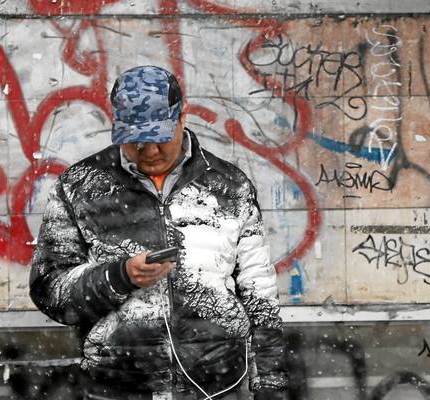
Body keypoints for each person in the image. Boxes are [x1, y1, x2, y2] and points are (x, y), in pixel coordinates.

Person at [29, 65, 288, 400]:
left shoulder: (229, 186)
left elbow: (259, 288)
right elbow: (49, 290)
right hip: (117, 386)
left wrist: (269, 380)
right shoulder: (79, 187)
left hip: (218, 385)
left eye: (159, 138)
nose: (149, 152)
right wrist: (117, 277)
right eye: (135, 141)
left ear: (181, 119)